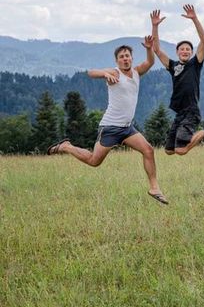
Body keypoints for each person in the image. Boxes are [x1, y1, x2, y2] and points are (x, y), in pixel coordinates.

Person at [46, 36, 169, 204]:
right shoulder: (114, 73)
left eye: (127, 56)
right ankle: (67, 146)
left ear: (131, 58)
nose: (125, 59)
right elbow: (91, 72)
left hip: (127, 128)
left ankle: (154, 188)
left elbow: (150, 62)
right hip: (110, 127)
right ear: (117, 61)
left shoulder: (136, 72)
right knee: (94, 161)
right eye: (122, 57)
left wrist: (149, 48)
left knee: (148, 150)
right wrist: (105, 73)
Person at [151, 6, 204, 155]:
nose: (185, 51)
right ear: (177, 52)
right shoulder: (172, 66)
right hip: (180, 112)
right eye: (182, 49)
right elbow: (157, 50)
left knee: (180, 150)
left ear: (191, 53)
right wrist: (155, 26)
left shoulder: (195, 64)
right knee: (169, 151)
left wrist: (194, 19)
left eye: (188, 49)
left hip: (191, 111)